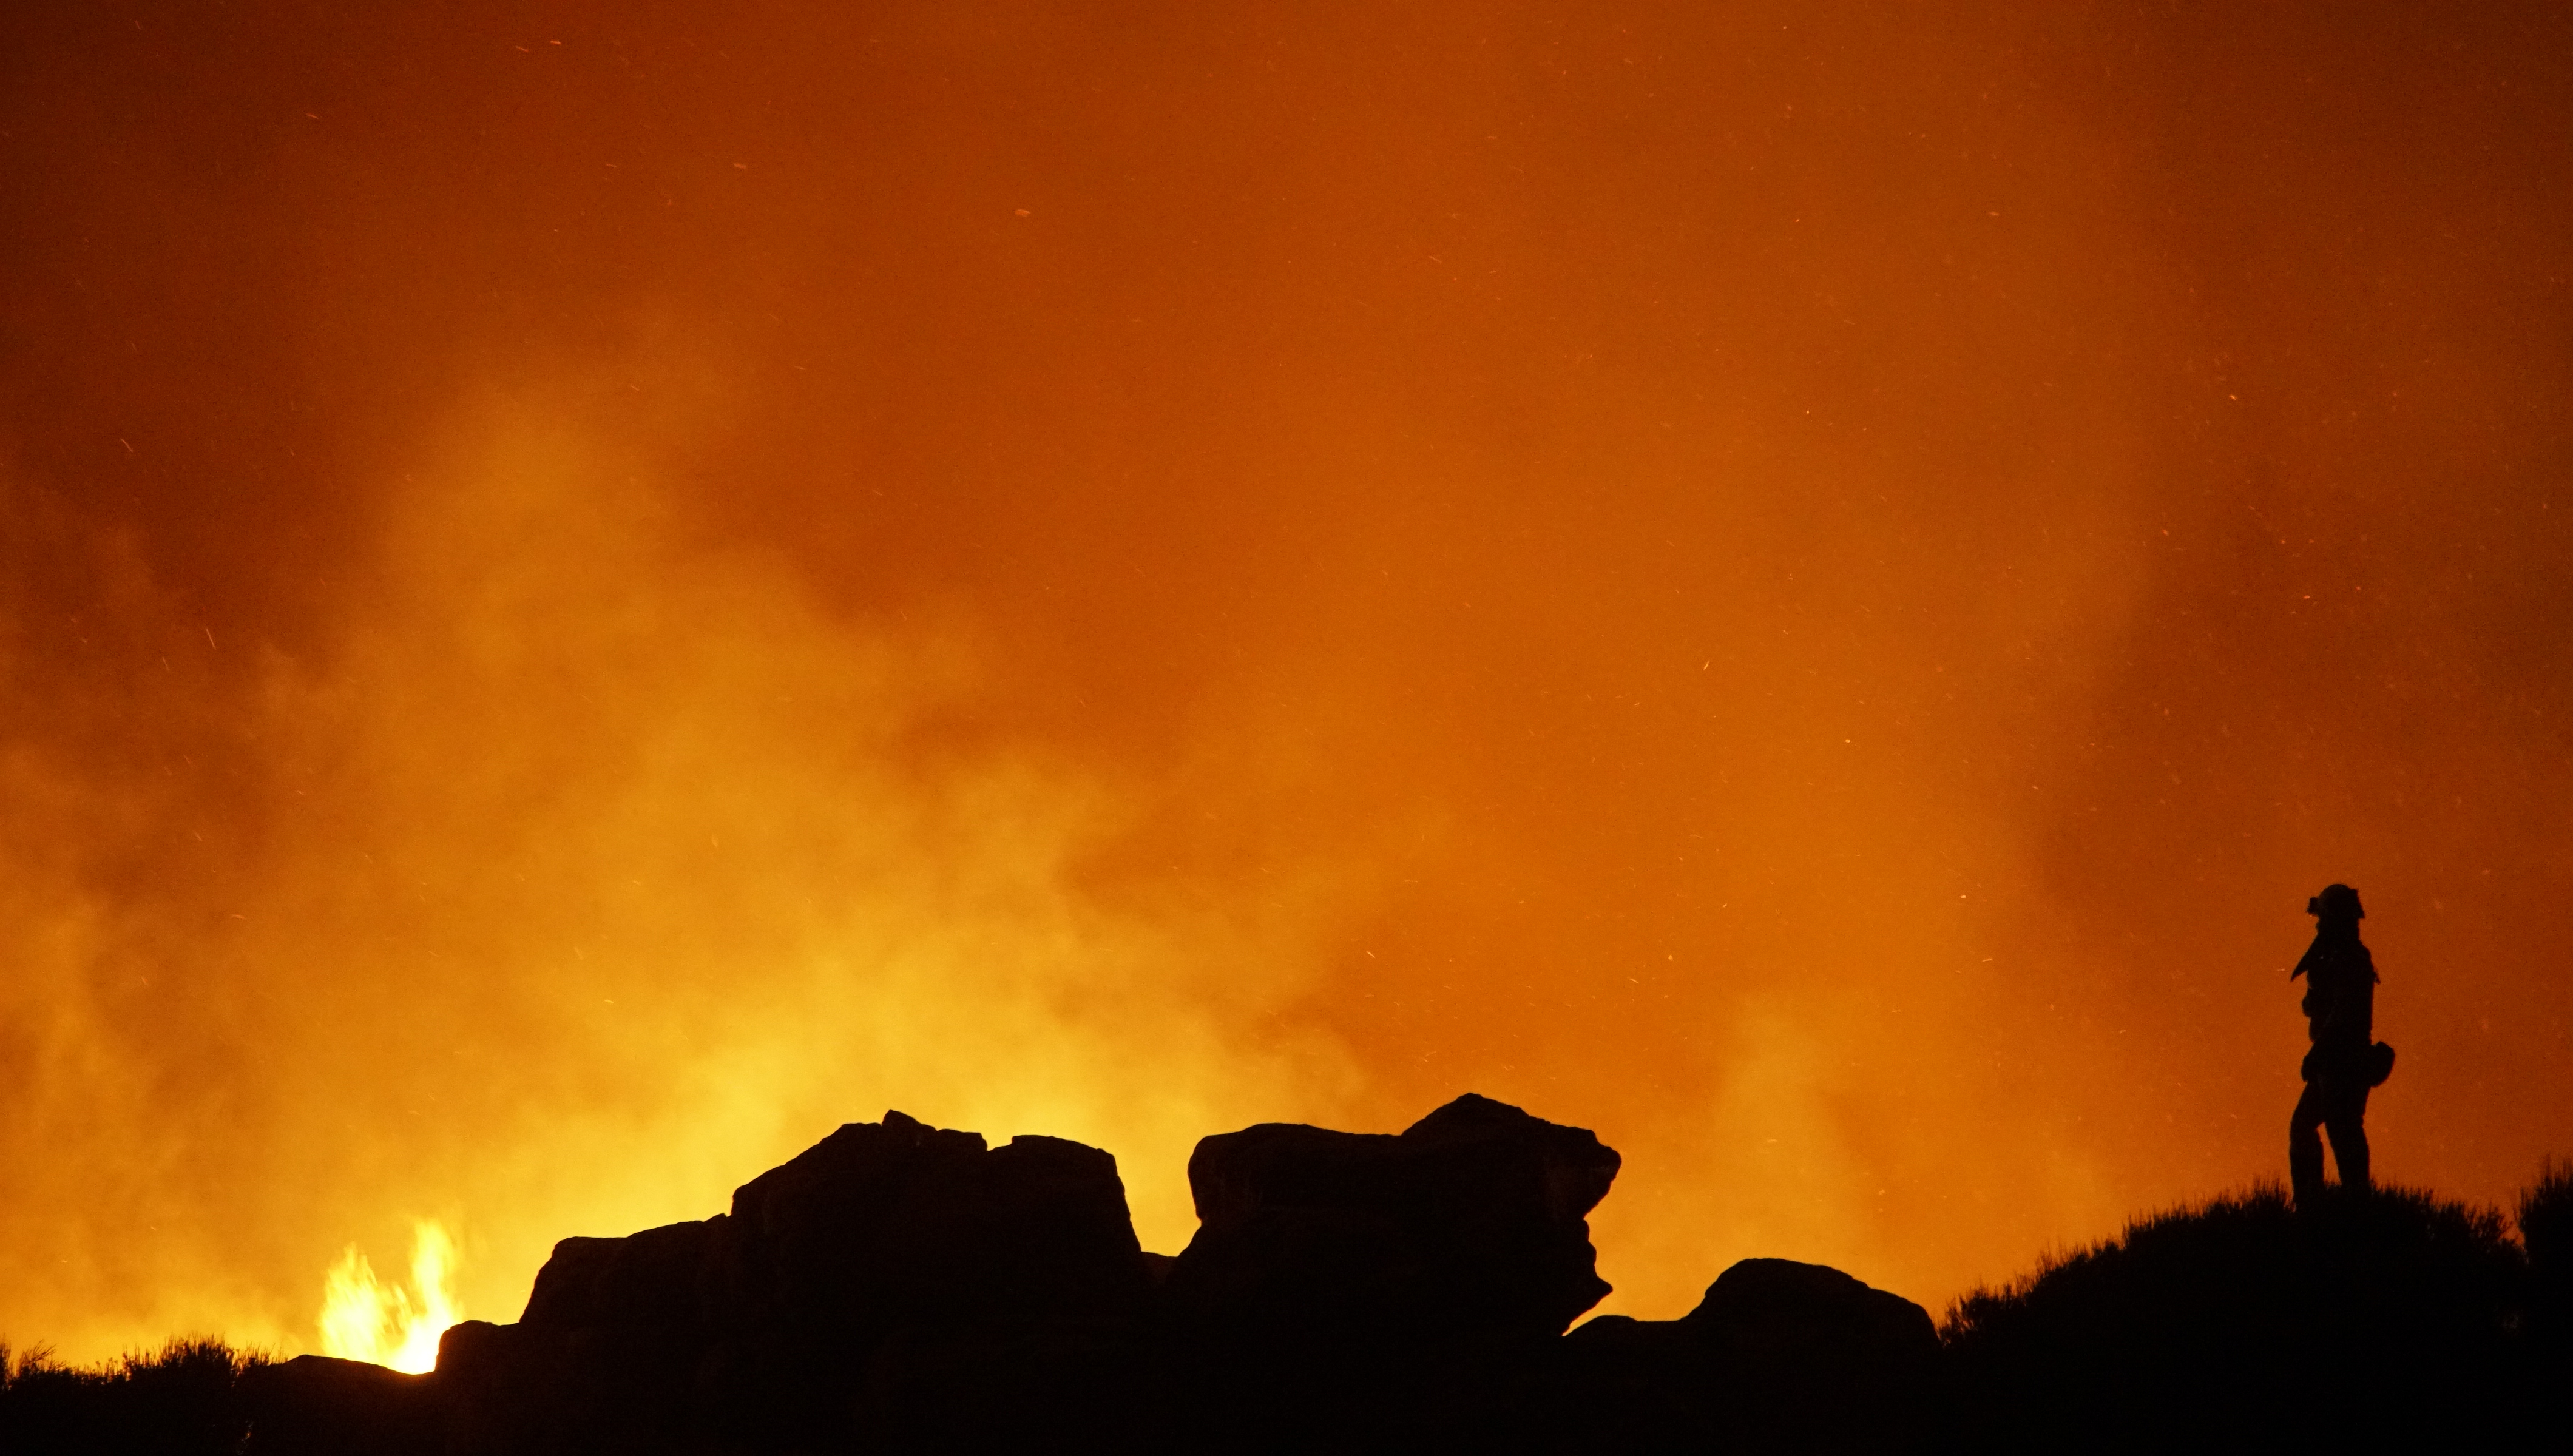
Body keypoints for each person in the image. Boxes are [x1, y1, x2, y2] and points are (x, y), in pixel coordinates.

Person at [2287, 883, 2389, 1203]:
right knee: (2310, 1127)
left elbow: (2343, 1014)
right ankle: (2314, 1204)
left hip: (2344, 1060)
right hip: (2332, 1061)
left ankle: (2353, 1203)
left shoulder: (2351, 959)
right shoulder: (2337, 957)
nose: (2318, 925)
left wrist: (2316, 1054)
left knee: (2343, 1132)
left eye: (2323, 918)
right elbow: (2315, 1006)